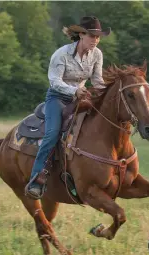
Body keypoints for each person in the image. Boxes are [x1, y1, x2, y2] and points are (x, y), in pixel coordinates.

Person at [25, 16, 111, 200]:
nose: (95, 40)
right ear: (81, 34)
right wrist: (74, 90)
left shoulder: (97, 54)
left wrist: (108, 94)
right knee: (52, 133)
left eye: (98, 37)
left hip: (82, 97)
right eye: (91, 36)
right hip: (58, 98)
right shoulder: (61, 54)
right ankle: (36, 179)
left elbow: (97, 81)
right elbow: (54, 82)